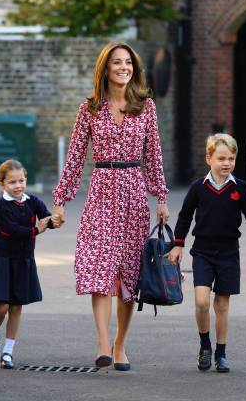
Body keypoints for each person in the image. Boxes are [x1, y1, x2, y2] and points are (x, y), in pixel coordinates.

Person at [51, 42, 169, 371]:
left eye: (128, 63)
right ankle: (103, 342)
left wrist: (161, 196)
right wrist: (60, 200)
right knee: (99, 268)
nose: (123, 67)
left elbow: (153, 157)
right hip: (101, 192)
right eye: (116, 62)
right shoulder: (89, 109)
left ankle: (120, 344)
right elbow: (74, 159)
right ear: (105, 68)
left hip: (133, 194)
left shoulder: (145, 107)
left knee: (129, 274)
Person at [168, 134, 246, 373]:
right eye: (221, 158)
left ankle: (221, 353)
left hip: (228, 254)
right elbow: (184, 216)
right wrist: (178, 244)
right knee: (202, 302)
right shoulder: (198, 187)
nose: (226, 163)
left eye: (231, 158)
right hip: (202, 252)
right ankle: (205, 346)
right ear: (209, 158)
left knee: (222, 306)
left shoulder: (240, 188)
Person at [0, 159, 53, 369]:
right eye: (12, 182)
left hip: (24, 260)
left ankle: (8, 353)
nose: (18, 186)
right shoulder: (1, 206)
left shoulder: (32, 200)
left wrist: (55, 220)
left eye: (21, 180)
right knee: (2, 306)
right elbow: (11, 230)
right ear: (2, 184)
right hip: (3, 259)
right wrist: (36, 230)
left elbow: (46, 216)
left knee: (16, 307)